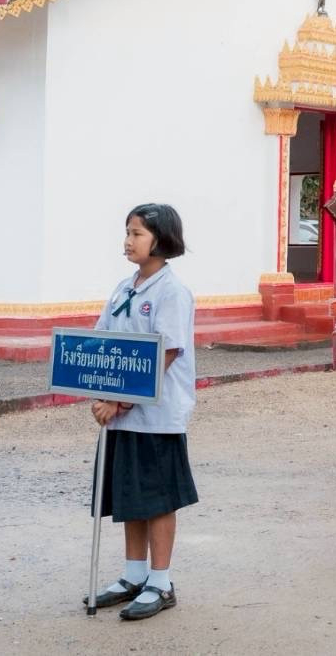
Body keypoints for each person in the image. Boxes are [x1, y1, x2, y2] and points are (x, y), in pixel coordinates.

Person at [85, 204, 198, 621]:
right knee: (131, 495)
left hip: (156, 415)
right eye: (127, 232)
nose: (128, 241)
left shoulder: (172, 292)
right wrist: (98, 392)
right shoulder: (124, 288)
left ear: (161, 240)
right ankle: (133, 574)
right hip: (121, 415)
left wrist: (121, 400)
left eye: (137, 234)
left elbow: (165, 353)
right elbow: (101, 343)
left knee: (158, 498)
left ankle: (160, 582)